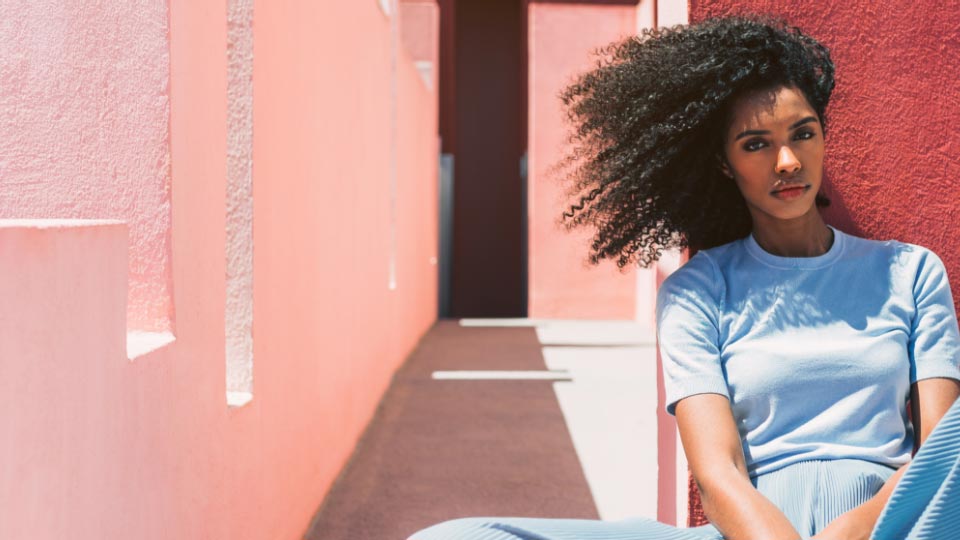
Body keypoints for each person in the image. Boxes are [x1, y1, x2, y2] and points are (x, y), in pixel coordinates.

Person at [407, 15, 960, 540]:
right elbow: (716, 473)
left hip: (901, 526)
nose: (787, 161)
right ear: (724, 164)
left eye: (803, 133)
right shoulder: (698, 292)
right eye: (755, 144)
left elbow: (939, 453)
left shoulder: (907, 272)